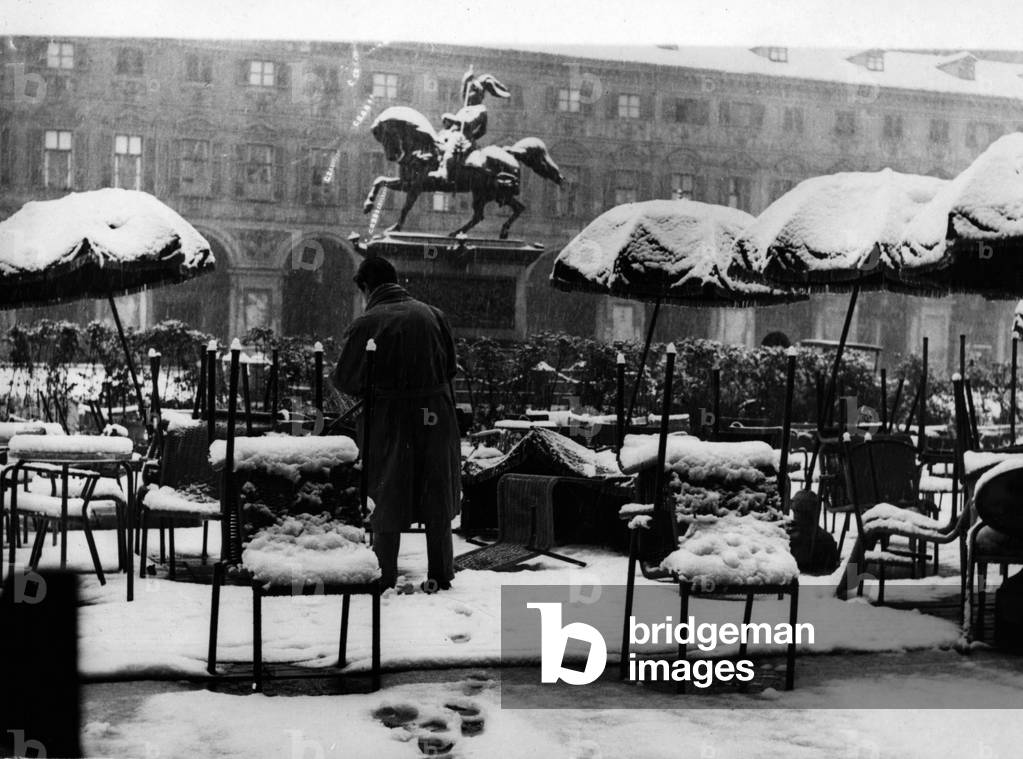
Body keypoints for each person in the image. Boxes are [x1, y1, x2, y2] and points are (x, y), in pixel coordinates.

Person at [330, 256, 461, 591]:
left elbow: (344, 379)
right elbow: (449, 368)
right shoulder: (434, 314)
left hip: (390, 419)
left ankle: (384, 572)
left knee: (387, 491)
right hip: (435, 414)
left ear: (365, 286)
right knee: (436, 491)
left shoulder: (367, 323)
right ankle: (441, 572)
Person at [428, 69, 511, 183]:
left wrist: (454, 120)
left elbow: (469, 124)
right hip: (452, 134)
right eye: (468, 90)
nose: (468, 92)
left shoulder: (481, 109)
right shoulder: (465, 109)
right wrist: (465, 80)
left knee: (451, 146)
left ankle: (444, 172)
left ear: (480, 94)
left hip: (463, 137)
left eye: (473, 90)